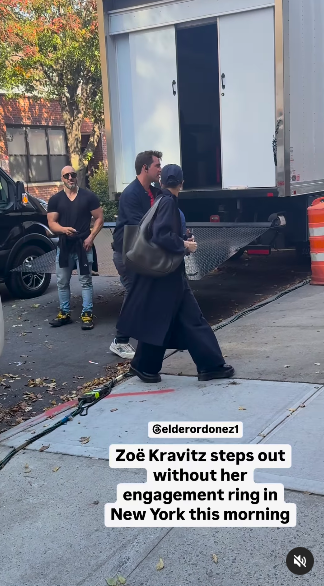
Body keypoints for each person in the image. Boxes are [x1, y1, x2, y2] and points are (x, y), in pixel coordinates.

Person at [116, 164, 234, 383]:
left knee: (166, 320)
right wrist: (185, 245)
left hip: (163, 276)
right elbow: (162, 235)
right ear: (182, 183)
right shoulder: (169, 202)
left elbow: (160, 233)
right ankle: (210, 366)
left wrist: (180, 239)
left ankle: (145, 366)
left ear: (161, 182)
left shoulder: (160, 201)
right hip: (169, 275)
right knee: (191, 321)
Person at [110, 150, 162, 359]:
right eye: (157, 165)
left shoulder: (153, 191)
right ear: (145, 168)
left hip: (141, 253)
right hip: (127, 254)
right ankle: (120, 341)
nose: (160, 169)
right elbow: (140, 225)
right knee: (136, 295)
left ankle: (146, 338)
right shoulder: (131, 194)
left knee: (144, 295)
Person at [47, 166, 104, 330]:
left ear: (76, 177)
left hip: (83, 246)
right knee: (62, 281)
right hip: (64, 246)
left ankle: (87, 314)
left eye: (73, 175)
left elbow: (99, 218)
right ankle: (64, 313)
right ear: (62, 178)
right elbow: (51, 223)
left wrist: (91, 237)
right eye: (66, 175)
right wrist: (63, 230)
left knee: (85, 281)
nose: (70, 178)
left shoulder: (88, 197)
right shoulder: (56, 200)